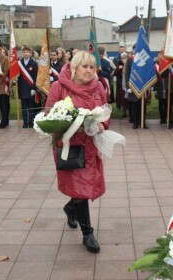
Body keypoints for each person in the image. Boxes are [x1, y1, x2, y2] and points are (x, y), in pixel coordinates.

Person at [44, 51, 109, 253]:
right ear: (74, 68)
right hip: (70, 149)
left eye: (92, 67)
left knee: (86, 186)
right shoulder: (59, 87)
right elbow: (48, 115)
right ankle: (88, 233)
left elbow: (105, 111)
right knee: (81, 188)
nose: (89, 71)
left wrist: (101, 125)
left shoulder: (98, 87)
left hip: (91, 147)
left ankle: (71, 207)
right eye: (85, 66)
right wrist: (70, 124)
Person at [18, 46, 38, 128]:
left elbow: (35, 77)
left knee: (31, 107)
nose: (25, 53)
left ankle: (31, 122)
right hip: (22, 88)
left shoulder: (33, 63)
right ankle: (25, 122)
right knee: (23, 107)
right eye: (24, 52)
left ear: (30, 53)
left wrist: (34, 88)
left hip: (30, 88)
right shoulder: (19, 63)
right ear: (22, 53)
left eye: (27, 52)